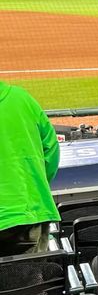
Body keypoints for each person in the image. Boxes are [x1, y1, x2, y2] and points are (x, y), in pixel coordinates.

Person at [0, 80, 61, 257]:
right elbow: (51, 151)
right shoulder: (22, 98)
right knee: (31, 274)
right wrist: (35, 185)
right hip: (29, 211)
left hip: (25, 215)